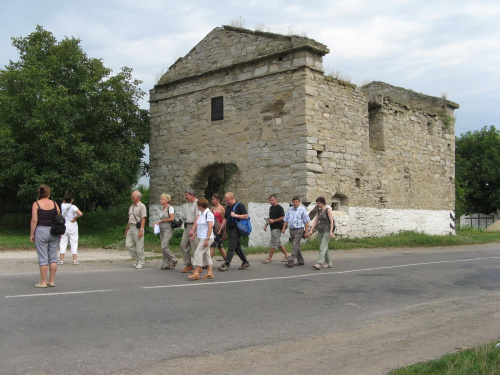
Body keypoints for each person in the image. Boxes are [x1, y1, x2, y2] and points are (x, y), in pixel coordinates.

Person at [30, 185, 60, 288]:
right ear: (49, 194)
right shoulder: (54, 204)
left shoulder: (36, 204)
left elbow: (34, 220)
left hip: (41, 231)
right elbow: (59, 218)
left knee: (43, 257)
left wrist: (32, 234)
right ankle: (51, 281)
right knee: (53, 258)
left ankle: (43, 282)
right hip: (53, 231)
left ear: (39, 194)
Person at [217, 192, 250, 271]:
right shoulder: (228, 207)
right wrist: (221, 228)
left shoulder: (240, 205)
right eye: (226, 200)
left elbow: (246, 216)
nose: (227, 202)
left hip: (237, 228)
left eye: (228, 200)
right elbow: (225, 218)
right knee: (236, 247)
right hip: (231, 229)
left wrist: (235, 215)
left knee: (232, 245)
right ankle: (245, 261)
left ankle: (226, 263)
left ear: (232, 198)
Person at [188, 198, 215, 280]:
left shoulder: (208, 214)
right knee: (206, 255)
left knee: (198, 253)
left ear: (200, 206)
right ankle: (210, 272)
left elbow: (210, 227)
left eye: (197, 205)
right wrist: (194, 235)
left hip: (206, 238)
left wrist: (207, 239)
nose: (196, 206)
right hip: (201, 237)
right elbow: (200, 226)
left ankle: (197, 272)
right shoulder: (202, 213)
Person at [282, 196, 310, 268]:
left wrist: (306, 231)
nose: (295, 203)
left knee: (295, 243)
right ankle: (301, 261)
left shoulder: (302, 210)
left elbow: (306, 221)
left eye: (296, 202)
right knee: (297, 245)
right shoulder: (290, 209)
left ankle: (291, 260)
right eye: (294, 202)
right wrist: (283, 228)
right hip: (292, 229)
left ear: (299, 202)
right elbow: (286, 219)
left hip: (299, 229)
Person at [307, 197, 334, 269]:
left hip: (327, 231)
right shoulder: (319, 211)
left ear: (323, 203)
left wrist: (331, 232)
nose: (318, 205)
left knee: (322, 247)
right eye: (317, 203)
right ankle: (329, 263)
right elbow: (316, 221)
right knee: (325, 247)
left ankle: (319, 263)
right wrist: (311, 230)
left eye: (319, 203)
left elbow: (331, 221)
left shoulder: (328, 210)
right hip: (320, 231)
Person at [262, 194, 290, 264]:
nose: (271, 202)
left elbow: (283, 217)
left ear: (276, 200)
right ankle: (287, 255)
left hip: (277, 227)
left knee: (273, 242)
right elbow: (270, 218)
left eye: (272, 200)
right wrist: (266, 225)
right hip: (272, 227)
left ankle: (269, 258)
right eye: (270, 200)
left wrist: (274, 221)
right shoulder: (271, 208)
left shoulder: (280, 208)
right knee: (278, 243)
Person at [153, 193, 178, 270]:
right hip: (162, 228)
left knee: (164, 245)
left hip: (168, 228)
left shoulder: (170, 208)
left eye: (162, 199)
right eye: (161, 199)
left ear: (167, 200)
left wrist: (162, 220)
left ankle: (174, 259)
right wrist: (157, 222)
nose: (161, 200)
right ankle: (165, 264)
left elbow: (172, 218)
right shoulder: (162, 209)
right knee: (163, 246)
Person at [58, 193, 83, 265]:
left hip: (64, 225)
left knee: (62, 242)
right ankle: (74, 260)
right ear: (72, 200)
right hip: (72, 225)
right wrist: (75, 217)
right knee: (74, 242)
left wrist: (66, 200)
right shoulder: (73, 207)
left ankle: (61, 260)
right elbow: (80, 214)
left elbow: (64, 202)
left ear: (65, 200)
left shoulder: (62, 205)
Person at [180, 188, 200, 273]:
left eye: (187, 195)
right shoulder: (189, 204)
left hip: (194, 227)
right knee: (183, 245)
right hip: (187, 226)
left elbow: (198, 217)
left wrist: (193, 229)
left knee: (195, 247)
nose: (185, 197)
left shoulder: (197, 204)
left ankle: (199, 266)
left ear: (192, 195)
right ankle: (188, 264)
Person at [125, 190, 147, 269]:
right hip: (131, 227)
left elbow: (143, 218)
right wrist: (127, 229)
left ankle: (141, 261)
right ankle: (137, 258)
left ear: (138, 197)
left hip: (137, 228)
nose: (132, 197)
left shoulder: (142, 206)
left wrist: (141, 229)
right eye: (131, 196)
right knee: (128, 245)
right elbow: (129, 218)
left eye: (133, 196)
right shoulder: (131, 206)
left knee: (139, 246)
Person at [210, 193, 227, 261]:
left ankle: (208, 262)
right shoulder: (212, 208)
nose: (212, 200)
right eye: (212, 199)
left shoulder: (221, 209)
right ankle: (226, 260)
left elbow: (224, 220)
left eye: (214, 199)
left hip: (219, 230)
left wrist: (224, 232)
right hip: (213, 229)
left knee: (213, 245)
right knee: (220, 246)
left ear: (218, 200)